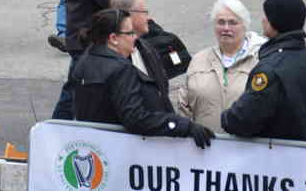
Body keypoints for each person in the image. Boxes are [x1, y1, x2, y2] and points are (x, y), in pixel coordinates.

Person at [72, 9, 214, 149]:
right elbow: (135, 118)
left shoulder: (83, 61)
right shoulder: (121, 68)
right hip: (119, 150)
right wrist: (182, 125)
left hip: (94, 148)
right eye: (130, 33)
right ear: (113, 38)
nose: (135, 37)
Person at [221, 0, 306, 142]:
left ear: (276, 21)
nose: (263, 20)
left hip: (276, 159)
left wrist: (225, 117)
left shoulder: (270, 70)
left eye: (266, 15)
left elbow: (242, 120)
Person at [177, 0, 266, 132]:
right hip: (205, 146)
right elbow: (184, 106)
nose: (226, 28)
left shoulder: (261, 60)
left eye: (232, 23)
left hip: (246, 147)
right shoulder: (198, 59)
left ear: (244, 26)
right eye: (221, 22)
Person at [109, 0, 173, 110]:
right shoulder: (111, 60)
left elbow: (162, 93)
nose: (149, 18)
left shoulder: (146, 48)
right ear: (128, 15)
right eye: (145, 12)